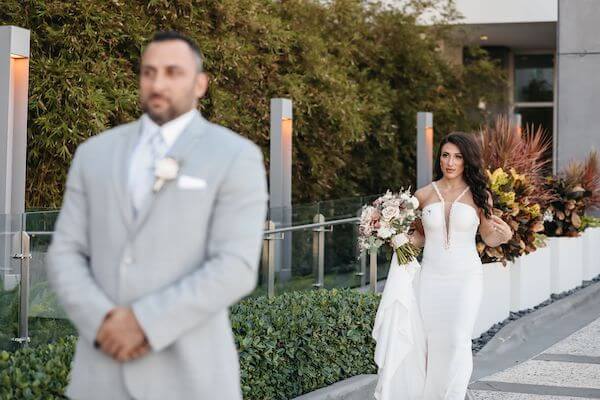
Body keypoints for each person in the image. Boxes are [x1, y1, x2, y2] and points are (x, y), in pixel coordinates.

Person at [47, 31, 268, 400]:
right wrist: (102, 323)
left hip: (191, 379)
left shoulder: (235, 155)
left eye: (172, 72)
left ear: (200, 83)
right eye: (148, 72)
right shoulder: (93, 154)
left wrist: (143, 323)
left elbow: (236, 266)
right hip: (100, 377)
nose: (158, 83)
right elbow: (65, 252)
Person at [372, 132, 512, 400]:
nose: (450, 162)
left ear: (467, 160)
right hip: (431, 279)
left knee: (458, 340)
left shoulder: (480, 195)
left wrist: (504, 236)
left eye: (458, 157)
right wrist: (391, 234)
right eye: (446, 155)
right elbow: (419, 239)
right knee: (433, 343)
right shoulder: (423, 195)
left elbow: (488, 235)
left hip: (466, 277)